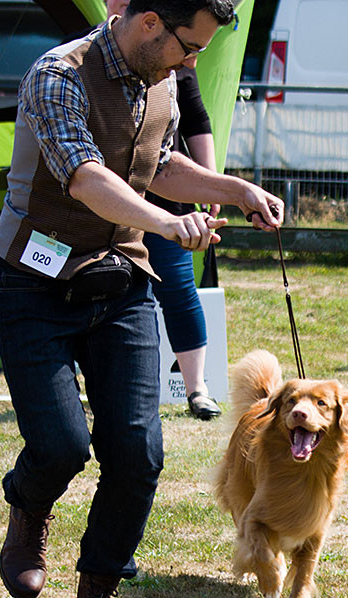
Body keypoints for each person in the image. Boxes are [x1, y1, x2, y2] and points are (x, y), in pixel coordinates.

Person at [0, 0, 283, 598]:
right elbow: (86, 177)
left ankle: (98, 587)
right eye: (190, 45)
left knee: (138, 451)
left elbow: (160, 165)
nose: (194, 60)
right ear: (150, 22)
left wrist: (235, 189)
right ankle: (29, 506)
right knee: (62, 445)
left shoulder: (165, 80)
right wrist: (169, 224)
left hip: (118, 280)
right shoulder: (57, 73)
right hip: (30, 282)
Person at [106, 0, 223, 421]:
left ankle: (197, 389)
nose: (118, 7)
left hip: (164, 199)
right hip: (107, 202)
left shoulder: (175, 67)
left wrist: (216, 185)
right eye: (114, 1)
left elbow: (196, 122)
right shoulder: (80, 62)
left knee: (177, 289)